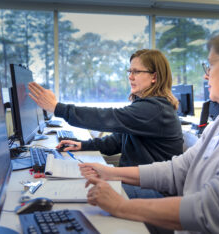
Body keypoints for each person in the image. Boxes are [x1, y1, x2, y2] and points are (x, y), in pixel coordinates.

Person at [79, 23, 219, 233]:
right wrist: (110, 173)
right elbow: (176, 171)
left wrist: (121, 206)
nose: (205, 75)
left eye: (210, 65)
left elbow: (215, 211)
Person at [29, 49, 183, 198]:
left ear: (154, 77)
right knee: (77, 185)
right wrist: (83, 145)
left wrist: (58, 108)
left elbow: (106, 117)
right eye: (129, 71)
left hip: (154, 191)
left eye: (136, 71)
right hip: (137, 182)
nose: (130, 77)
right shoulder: (146, 106)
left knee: (81, 190)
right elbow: (117, 141)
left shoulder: (155, 109)